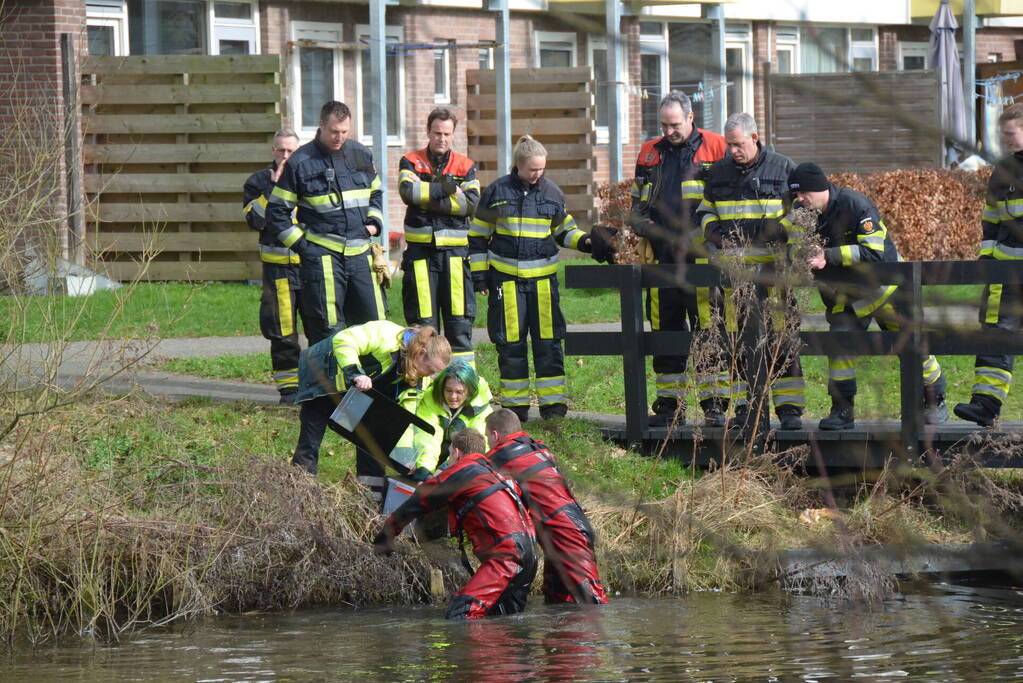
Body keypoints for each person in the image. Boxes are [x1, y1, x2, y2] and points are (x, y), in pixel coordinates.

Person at [788, 162, 948, 430]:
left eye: (804, 193)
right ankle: (842, 410)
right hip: (844, 296)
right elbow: (793, 247)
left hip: (885, 290)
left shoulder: (855, 204)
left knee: (911, 344)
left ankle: (934, 400)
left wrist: (828, 256)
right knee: (839, 348)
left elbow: (875, 253)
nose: (799, 199)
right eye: (796, 195)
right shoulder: (800, 213)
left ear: (820, 188)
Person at [468, 135, 594, 422]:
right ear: (518, 166)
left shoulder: (552, 192)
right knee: (511, 345)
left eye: (541, 169)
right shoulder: (497, 191)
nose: (537, 175)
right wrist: (480, 279)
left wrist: (586, 242)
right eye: (532, 170)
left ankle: (554, 408)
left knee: (548, 343)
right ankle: (515, 410)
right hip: (507, 283)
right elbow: (477, 237)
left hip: (543, 284)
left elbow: (564, 231)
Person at [697, 112, 805, 431]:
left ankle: (789, 408)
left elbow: (800, 210)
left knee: (782, 337)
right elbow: (705, 211)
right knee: (738, 340)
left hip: (775, 273)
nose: (732, 151)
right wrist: (714, 233)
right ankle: (747, 406)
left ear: (755, 138)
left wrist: (778, 231)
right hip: (735, 273)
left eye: (739, 144)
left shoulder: (784, 168)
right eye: (729, 145)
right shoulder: (717, 173)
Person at [631, 92, 727, 427]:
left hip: (702, 256)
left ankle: (714, 405)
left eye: (674, 124)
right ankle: (670, 407)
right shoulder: (649, 152)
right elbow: (637, 202)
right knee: (664, 329)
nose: (669, 131)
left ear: (690, 117)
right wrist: (642, 224)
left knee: (707, 328)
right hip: (662, 257)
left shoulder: (716, 146)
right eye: (663, 125)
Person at [374, 428, 538, 620]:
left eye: (450, 454)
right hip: (530, 556)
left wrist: (388, 532)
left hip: (506, 558)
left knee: (461, 613)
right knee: (504, 621)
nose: (450, 461)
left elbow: (420, 499)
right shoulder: (498, 474)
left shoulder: (463, 470)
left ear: (457, 453)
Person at [266, 100, 386, 345]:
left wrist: (374, 223)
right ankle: (332, 384)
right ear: (321, 126)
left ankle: (371, 383)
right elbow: (277, 212)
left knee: (374, 325)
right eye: (334, 131)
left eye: (344, 132)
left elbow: (376, 194)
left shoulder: (361, 154)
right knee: (328, 329)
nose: (339, 137)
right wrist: (305, 247)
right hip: (323, 260)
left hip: (361, 256)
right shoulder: (300, 162)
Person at [291, 320, 450, 503]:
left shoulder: (420, 377)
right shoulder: (387, 335)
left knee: (372, 439)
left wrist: (406, 457)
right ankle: (300, 495)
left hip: (357, 392)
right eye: (431, 369)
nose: (430, 375)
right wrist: (355, 374)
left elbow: (406, 417)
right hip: (322, 374)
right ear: (421, 354)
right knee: (310, 440)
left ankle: (369, 502)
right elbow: (344, 339)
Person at [485, 408, 608, 605]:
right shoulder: (539, 448)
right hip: (569, 529)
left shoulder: (501, 454)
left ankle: (597, 637)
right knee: (558, 599)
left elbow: (475, 477)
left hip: (566, 535)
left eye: (487, 437)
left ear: (495, 434)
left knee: (592, 604)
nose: (488, 444)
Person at [955, 103, 1023, 427]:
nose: (1005, 140)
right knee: (995, 334)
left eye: (1010, 134)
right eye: (1003, 135)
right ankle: (985, 405)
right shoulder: (1003, 170)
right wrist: (987, 260)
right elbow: (991, 220)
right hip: (1006, 275)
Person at [398, 108, 481, 367]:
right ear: (428, 132)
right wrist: (446, 190)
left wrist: (428, 199)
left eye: (447, 134)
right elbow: (408, 192)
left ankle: (462, 389)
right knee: (422, 330)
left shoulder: (465, 165)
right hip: (420, 256)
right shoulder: (410, 160)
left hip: (456, 258)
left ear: (453, 134)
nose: (441, 139)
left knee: (459, 326)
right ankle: (421, 391)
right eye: (437, 133)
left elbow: (470, 205)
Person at [243, 129, 309, 404]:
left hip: (310, 267)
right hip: (277, 270)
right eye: (281, 150)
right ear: (273, 151)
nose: (285, 156)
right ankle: (289, 391)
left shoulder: (309, 177)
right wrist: (273, 189)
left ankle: (319, 388)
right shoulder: (258, 181)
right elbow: (254, 219)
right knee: (282, 331)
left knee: (320, 329)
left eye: (290, 151)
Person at [408, 361, 494, 481]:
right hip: (444, 450)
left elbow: (472, 448)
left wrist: (444, 471)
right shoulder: (430, 399)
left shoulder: (481, 409)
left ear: (470, 392)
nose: (453, 397)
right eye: (448, 390)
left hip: (463, 459)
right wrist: (424, 469)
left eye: (459, 392)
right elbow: (428, 436)